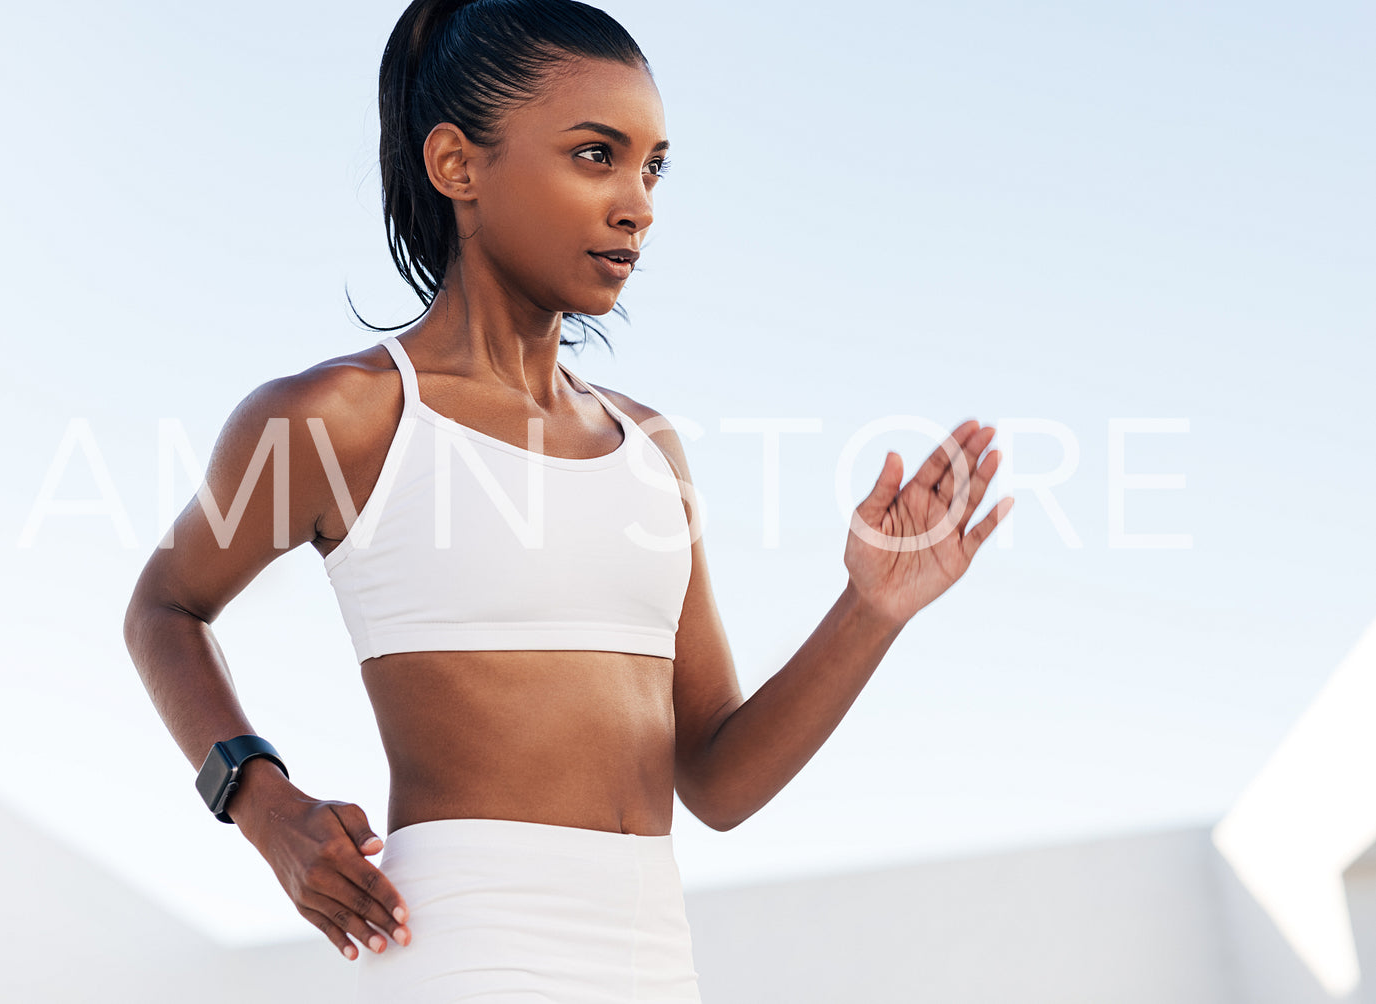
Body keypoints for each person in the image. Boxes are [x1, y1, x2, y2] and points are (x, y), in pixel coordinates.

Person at [122, 0, 1014, 1000]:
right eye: (596, 155)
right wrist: (260, 799)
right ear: (456, 165)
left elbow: (715, 780)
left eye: (653, 165)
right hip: (465, 948)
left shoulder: (649, 449)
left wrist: (870, 608)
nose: (636, 202)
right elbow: (163, 605)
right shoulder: (346, 415)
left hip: (653, 958)